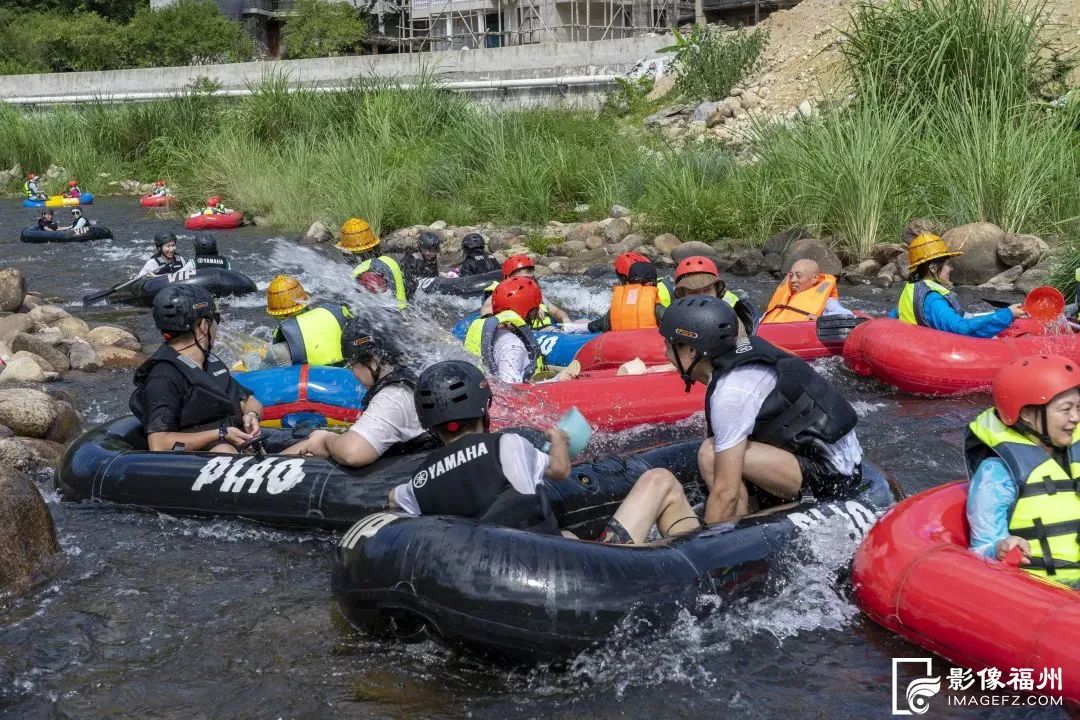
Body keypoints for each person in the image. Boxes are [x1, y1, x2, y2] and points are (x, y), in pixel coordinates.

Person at [388, 360, 702, 545]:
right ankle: (691, 561)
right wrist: (560, 440)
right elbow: (560, 471)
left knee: (569, 535)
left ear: (428, 421)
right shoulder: (506, 446)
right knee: (660, 480)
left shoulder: (416, 485)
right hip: (557, 569)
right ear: (484, 408)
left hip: (488, 582)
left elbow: (394, 499)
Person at [660, 296, 863, 524]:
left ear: (691, 351)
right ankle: (749, 514)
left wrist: (704, 543)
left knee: (710, 454)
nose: (664, 353)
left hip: (834, 474)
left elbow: (726, 493)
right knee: (717, 445)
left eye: (669, 345)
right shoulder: (741, 356)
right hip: (825, 454)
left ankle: (738, 531)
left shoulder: (731, 391)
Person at [966, 355, 1080, 587]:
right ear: (1027, 414)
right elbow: (981, 547)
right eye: (1065, 409)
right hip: (1050, 591)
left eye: (1079, 407)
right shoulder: (997, 473)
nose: (1075, 418)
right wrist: (999, 548)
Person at [129, 285, 263, 453]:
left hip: (241, 451)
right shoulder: (163, 377)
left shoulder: (209, 363)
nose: (217, 326)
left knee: (308, 443)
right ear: (203, 326)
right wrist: (221, 434)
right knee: (223, 450)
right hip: (206, 463)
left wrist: (251, 415)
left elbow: (249, 400)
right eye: (215, 319)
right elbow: (159, 444)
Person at [284, 323, 432, 465]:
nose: (354, 373)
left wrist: (326, 439)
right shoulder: (412, 377)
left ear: (373, 360)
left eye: (353, 364)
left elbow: (352, 453)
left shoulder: (394, 395)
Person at [890, 233, 1024, 337]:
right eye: (948, 264)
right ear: (932, 267)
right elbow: (961, 329)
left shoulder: (912, 287)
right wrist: (1007, 314)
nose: (950, 269)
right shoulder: (933, 299)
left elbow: (894, 316)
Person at [465, 276, 545, 384]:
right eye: (536, 308)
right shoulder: (514, 346)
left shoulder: (496, 332)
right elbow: (511, 392)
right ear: (527, 310)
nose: (537, 311)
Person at [262, 274, 352, 367]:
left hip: (315, 379)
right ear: (306, 303)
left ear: (278, 315)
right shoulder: (333, 312)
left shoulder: (279, 352)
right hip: (350, 373)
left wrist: (261, 355)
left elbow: (258, 374)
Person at [673, 255, 756, 337]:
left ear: (716, 290)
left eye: (707, 290)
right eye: (693, 292)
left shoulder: (731, 318)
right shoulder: (675, 319)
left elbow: (742, 344)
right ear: (683, 295)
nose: (702, 298)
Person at [479, 255, 571, 327]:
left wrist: (565, 319)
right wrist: (528, 310)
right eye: (521, 279)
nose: (527, 282)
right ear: (507, 278)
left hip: (546, 331)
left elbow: (556, 312)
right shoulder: (499, 295)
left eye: (530, 279)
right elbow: (486, 314)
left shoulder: (534, 293)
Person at [339, 217, 409, 310]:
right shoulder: (388, 261)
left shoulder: (367, 275)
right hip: (402, 313)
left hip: (389, 320)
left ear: (352, 254)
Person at [762, 259, 852, 323]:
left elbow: (847, 315)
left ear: (815, 278)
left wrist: (822, 319)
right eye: (791, 275)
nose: (793, 280)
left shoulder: (829, 302)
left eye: (798, 276)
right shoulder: (787, 298)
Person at [587, 261, 666, 332]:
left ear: (629, 281)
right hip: (645, 345)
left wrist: (586, 326)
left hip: (619, 346)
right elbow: (672, 322)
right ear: (651, 282)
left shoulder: (617, 307)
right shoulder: (655, 308)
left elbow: (597, 326)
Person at [400, 231, 442, 296]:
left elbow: (434, 275)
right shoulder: (413, 262)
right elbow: (411, 287)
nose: (432, 254)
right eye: (428, 250)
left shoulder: (430, 258)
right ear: (421, 248)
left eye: (434, 251)